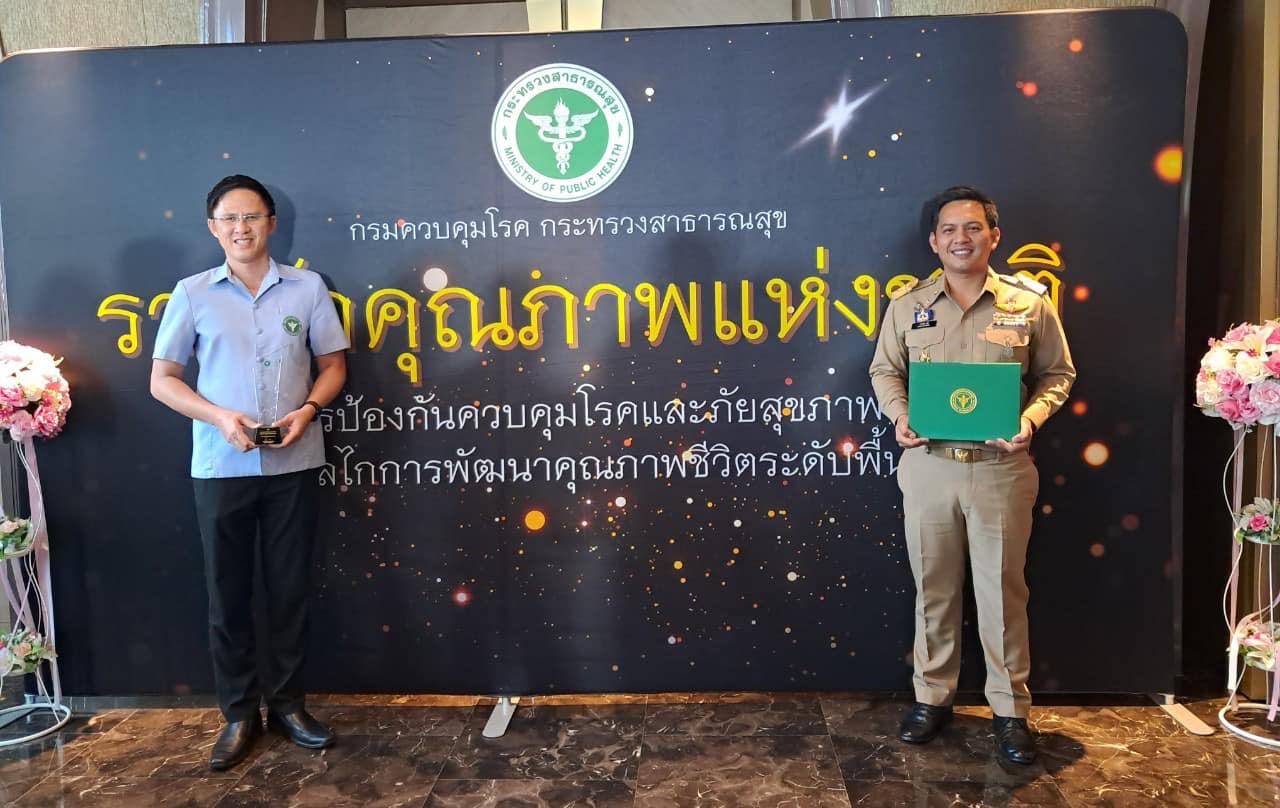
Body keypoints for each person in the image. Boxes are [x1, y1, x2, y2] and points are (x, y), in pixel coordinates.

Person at [869, 186, 1075, 764]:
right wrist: (900, 415)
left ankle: (1010, 710)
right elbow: (885, 370)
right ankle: (932, 698)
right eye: (950, 229)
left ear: (993, 236)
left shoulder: (1028, 304)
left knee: (1002, 594)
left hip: (1000, 471)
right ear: (934, 241)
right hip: (929, 468)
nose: (961, 238)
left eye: (973, 227)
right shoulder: (908, 304)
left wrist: (1030, 419)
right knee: (934, 590)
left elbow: (1057, 375)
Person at [151, 175, 349, 771]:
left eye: (252, 216)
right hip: (221, 466)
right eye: (230, 218)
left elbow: (334, 366)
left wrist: (307, 410)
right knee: (228, 593)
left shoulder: (308, 288)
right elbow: (162, 381)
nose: (242, 228)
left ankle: (289, 707)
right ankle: (239, 714)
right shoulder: (191, 294)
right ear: (214, 228)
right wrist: (218, 417)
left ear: (271, 223)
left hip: (294, 461)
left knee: (289, 590)